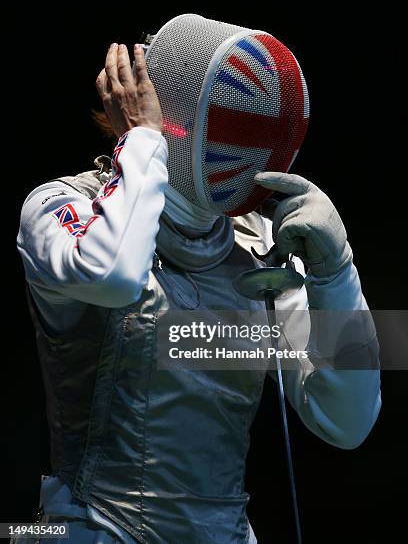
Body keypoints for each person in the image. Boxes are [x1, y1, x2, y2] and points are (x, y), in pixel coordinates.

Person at [16, 38, 381, 544]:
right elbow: (115, 275)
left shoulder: (262, 245)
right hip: (92, 528)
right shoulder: (62, 207)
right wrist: (142, 144)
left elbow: (350, 420)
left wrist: (336, 273)